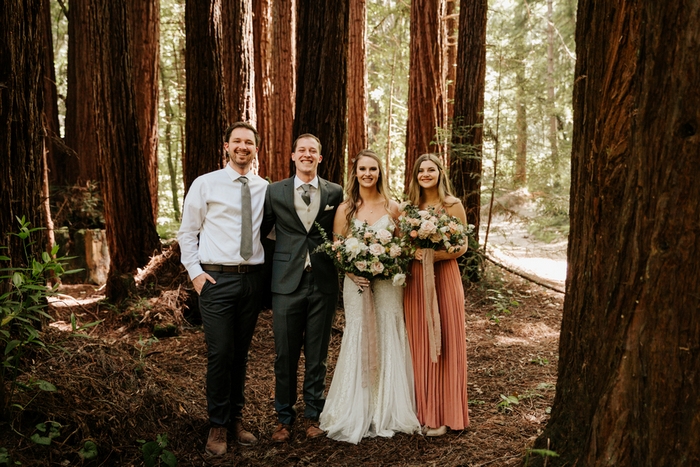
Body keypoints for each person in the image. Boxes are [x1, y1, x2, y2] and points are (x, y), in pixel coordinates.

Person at [177, 122, 268, 456]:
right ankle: (217, 423)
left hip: (252, 281)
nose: (243, 147)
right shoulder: (206, 184)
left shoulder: (264, 188)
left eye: (249, 142)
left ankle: (236, 420)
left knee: (241, 354)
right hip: (216, 280)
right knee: (220, 353)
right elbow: (187, 232)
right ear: (226, 146)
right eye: (237, 141)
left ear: (256, 149)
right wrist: (196, 275)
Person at [319, 150, 421, 444]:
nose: (367, 174)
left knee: (389, 330)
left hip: (389, 284)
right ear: (356, 173)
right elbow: (338, 248)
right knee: (359, 332)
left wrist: (388, 262)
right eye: (362, 169)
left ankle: (387, 407)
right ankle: (357, 406)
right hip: (358, 284)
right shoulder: (345, 209)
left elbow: (404, 247)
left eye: (373, 169)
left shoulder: (394, 208)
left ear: (380, 173)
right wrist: (352, 273)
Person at [262, 133, 344, 442]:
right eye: (302, 150)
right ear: (293, 156)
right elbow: (264, 232)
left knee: (317, 354)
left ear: (320, 158)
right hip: (286, 283)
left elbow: (341, 230)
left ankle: (313, 415)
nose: (307, 154)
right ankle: (284, 418)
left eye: (313, 151)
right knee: (285, 355)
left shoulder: (335, 192)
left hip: (323, 282)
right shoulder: (275, 191)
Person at [403, 153, 470, 437]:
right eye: (421, 170)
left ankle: (444, 414)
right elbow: (401, 245)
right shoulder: (409, 208)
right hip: (417, 280)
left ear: (440, 173)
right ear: (416, 175)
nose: (426, 174)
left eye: (431, 169)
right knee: (419, 342)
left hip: (444, 277)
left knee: (445, 341)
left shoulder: (452, 205)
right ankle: (422, 412)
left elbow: (464, 244)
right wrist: (414, 252)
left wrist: (437, 255)